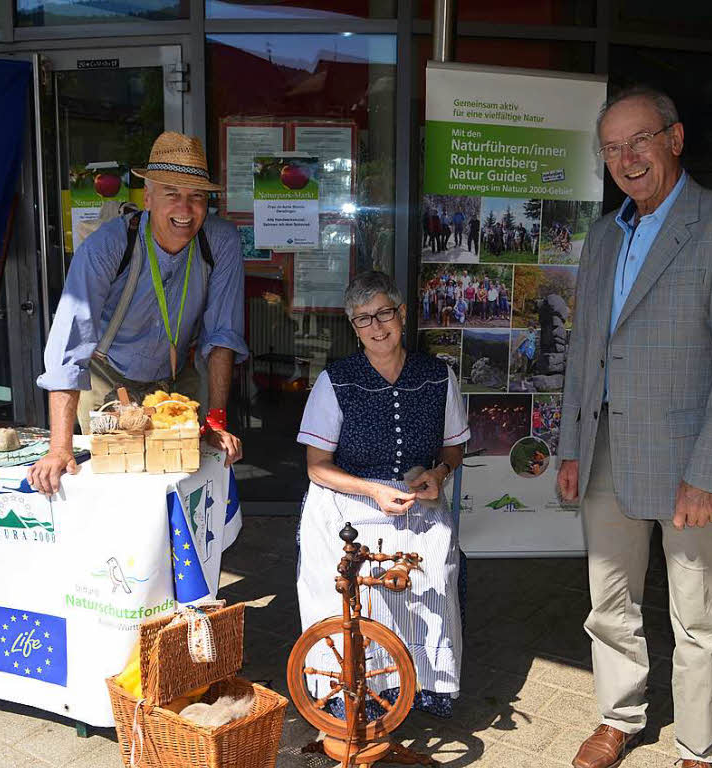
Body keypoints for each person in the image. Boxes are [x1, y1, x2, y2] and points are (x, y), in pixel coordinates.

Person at [558, 86, 712, 768]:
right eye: (612, 148)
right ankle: (619, 717)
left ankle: (700, 746)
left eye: (640, 140)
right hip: (603, 456)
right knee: (609, 601)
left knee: (698, 619)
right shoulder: (603, 235)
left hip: (689, 464)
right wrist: (570, 447)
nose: (627, 159)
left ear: (674, 140)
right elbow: (586, 347)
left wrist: (711, 471)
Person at [29, 132, 248, 494]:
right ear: (147, 197)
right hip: (109, 375)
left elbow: (222, 334)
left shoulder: (220, 241)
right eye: (171, 194)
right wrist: (59, 447)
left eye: (196, 197)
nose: (185, 209)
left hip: (177, 377)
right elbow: (70, 346)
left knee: (185, 477)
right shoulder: (107, 247)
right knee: (117, 478)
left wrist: (217, 420)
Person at [296, 270, 470, 720]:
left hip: (415, 495)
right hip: (349, 495)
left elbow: (454, 446)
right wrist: (373, 490)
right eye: (363, 319)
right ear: (353, 327)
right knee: (345, 573)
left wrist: (440, 472)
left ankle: (425, 682)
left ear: (402, 314)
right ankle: (349, 685)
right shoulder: (336, 380)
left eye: (384, 314)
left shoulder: (436, 376)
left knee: (432, 560)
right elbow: (317, 467)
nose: (377, 327)